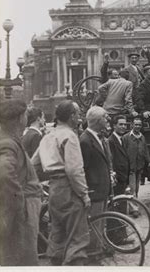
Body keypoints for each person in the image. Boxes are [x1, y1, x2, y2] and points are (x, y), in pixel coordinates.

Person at [32, 100, 91, 265]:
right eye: (78, 114)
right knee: (78, 238)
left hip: (54, 190)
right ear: (72, 116)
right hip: (69, 189)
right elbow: (74, 170)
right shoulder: (70, 136)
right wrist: (84, 195)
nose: (79, 118)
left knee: (57, 237)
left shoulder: (48, 137)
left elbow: (33, 164)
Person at [0, 99, 42, 266]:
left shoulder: (10, 139)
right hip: (20, 216)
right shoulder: (8, 143)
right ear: (20, 118)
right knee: (23, 258)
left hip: (22, 212)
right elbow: (4, 174)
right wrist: (20, 205)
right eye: (25, 114)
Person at [80, 106, 114, 257]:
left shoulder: (96, 137)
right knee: (95, 224)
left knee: (100, 224)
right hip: (94, 190)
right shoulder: (85, 140)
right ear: (97, 120)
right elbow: (83, 168)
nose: (108, 120)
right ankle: (94, 255)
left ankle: (98, 250)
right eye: (105, 117)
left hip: (101, 190)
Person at [123, 117, 150, 206]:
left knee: (136, 187)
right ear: (132, 125)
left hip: (139, 165)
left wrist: (149, 161)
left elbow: (145, 150)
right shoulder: (126, 137)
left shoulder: (142, 137)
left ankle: (134, 204)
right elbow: (123, 151)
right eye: (136, 124)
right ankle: (133, 208)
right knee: (132, 187)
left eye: (139, 125)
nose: (138, 126)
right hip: (130, 167)